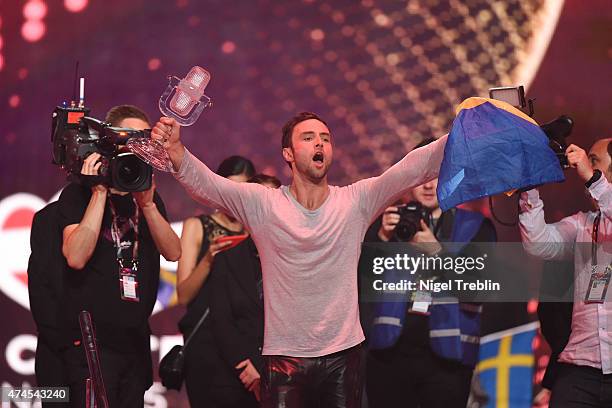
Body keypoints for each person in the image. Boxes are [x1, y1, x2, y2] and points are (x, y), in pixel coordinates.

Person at [152, 111, 448, 407]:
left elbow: (411, 169)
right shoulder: (264, 204)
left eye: (325, 139)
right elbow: (210, 186)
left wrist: (465, 130)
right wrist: (177, 150)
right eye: (308, 138)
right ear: (288, 154)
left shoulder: (355, 201)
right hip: (284, 358)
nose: (319, 144)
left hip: (343, 356)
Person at [58, 105, 181, 407]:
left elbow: (173, 251)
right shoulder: (79, 194)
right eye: (128, 138)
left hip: (135, 341)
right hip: (93, 346)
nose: (135, 148)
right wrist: (99, 191)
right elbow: (75, 256)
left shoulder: (146, 194)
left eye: (143, 140)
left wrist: (149, 205)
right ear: (109, 141)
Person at [362, 138, 497, 408]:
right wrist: (380, 240)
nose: (427, 184)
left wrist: (436, 252)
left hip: (447, 360)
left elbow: (478, 289)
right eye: (420, 175)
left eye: (436, 175)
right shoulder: (385, 223)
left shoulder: (476, 227)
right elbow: (359, 283)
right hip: (389, 355)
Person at [519, 139, 612, 408]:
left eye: (594, 160)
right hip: (580, 368)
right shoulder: (583, 223)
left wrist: (593, 179)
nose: (583, 163)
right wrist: (529, 187)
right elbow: (537, 243)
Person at [176, 155, 255, 407]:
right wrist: (209, 258)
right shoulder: (198, 226)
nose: (233, 196)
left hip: (245, 345)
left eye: (241, 189)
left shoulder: (255, 231)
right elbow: (184, 294)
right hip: (207, 345)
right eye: (228, 187)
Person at [209, 174, 281, 407]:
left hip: (289, 372)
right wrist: (245, 365)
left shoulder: (299, 257)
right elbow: (222, 321)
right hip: (239, 377)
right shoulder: (227, 261)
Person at [28, 201, 69, 407]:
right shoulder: (47, 218)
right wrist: (71, 344)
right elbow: (40, 288)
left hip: (121, 358)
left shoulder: (128, 213)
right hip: (56, 357)